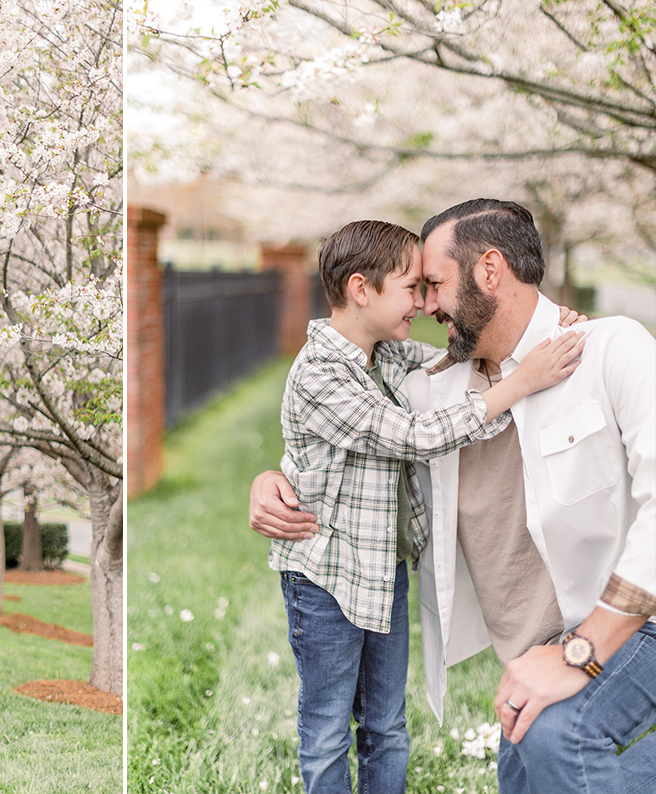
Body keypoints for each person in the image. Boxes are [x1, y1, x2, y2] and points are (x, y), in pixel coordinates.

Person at [251, 199, 655, 794]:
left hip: (637, 618)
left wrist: (581, 652)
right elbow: (374, 438)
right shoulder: (430, 391)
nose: (425, 305)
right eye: (415, 288)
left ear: (490, 271)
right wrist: (273, 477)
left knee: (556, 739)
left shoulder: (608, 350)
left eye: (433, 284)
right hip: (528, 641)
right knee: (520, 771)